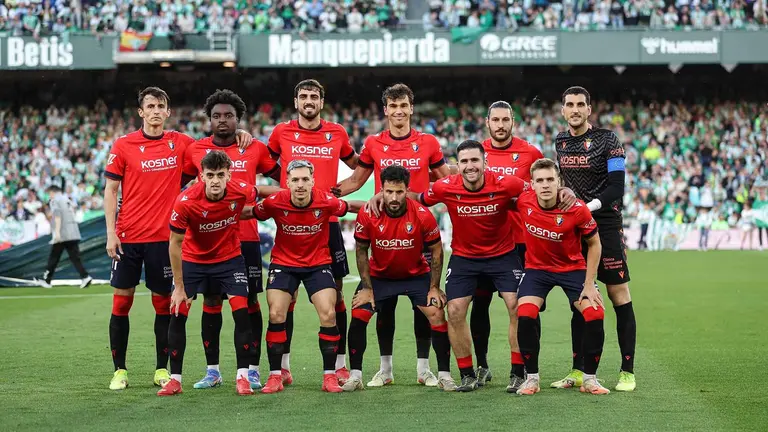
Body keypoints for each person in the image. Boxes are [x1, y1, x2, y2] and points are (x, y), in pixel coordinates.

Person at [103, 86, 252, 391]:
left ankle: (161, 368)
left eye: (161, 106)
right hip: (128, 237)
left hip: (164, 240)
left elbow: (214, 151)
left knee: (165, 306)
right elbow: (111, 190)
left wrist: (241, 133)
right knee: (121, 304)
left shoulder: (181, 143)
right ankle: (120, 370)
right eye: (151, 106)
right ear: (141, 112)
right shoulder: (123, 145)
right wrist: (111, 232)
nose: (156, 111)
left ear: (168, 112)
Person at [335, 83, 451, 388]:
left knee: (422, 307)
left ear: (411, 108)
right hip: (383, 233)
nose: (398, 111)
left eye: (404, 106)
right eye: (393, 106)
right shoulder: (374, 143)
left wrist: (423, 199)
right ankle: (385, 371)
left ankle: (423, 369)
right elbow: (356, 180)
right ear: (385, 110)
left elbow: (445, 182)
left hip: (420, 233)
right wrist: (317, 195)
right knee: (382, 307)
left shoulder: (428, 143)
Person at [182, 89, 281, 391]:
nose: (222, 120)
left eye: (228, 116)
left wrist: (262, 208)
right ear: (209, 120)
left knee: (250, 302)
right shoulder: (195, 150)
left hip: (245, 239)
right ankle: (213, 370)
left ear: (239, 119)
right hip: (208, 242)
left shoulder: (255, 149)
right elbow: (180, 187)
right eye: (216, 116)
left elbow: (283, 181)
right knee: (211, 302)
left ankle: (251, 369)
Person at [267, 79, 359, 385]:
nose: (309, 101)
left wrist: (340, 191)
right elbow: (265, 163)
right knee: (285, 299)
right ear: (296, 102)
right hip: (292, 220)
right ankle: (284, 367)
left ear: (321, 102)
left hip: (327, 223)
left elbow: (360, 165)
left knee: (336, 298)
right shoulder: (281, 131)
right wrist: (282, 189)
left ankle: (341, 364)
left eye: (314, 96)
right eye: (304, 96)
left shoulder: (337, 133)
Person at [418, 140, 529, 392]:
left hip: (503, 255)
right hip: (465, 258)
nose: (470, 166)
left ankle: (518, 372)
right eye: (464, 162)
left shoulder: (505, 182)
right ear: (457, 165)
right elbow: (419, 199)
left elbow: (535, 191)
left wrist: (563, 194)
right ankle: (467, 374)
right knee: (455, 310)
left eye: (475, 160)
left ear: (484, 162)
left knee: (516, 305)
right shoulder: (446, 186)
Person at [254, 160, 364, 394]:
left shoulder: (326, 201)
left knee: (328, 312)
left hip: (317, 264)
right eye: (295, 180)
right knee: (276, 313)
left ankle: (329, 376)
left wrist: (377, 202)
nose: (301, 184)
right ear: (287, 182)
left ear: (313, 181)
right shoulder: (274, 202)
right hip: (283, 264)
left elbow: (351, 207)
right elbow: (248, 212)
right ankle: (275, 375)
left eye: (305, 179)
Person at [552, 86, 637, 392]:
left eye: (580, 105)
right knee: (580, 299)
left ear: (589, 109)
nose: (574, 109)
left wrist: (586, 208)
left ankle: (627, 371)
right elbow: (564, 182)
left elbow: (617, 187)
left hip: (605, 224)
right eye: (569, 105)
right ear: (563, 110)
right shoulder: (560, 141)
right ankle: (578, 370)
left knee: (618, 296)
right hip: (575, 228)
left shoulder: (607, 140)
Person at [344, 165, 456, 392]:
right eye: (389, 192)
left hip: (415, 275)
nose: (394, 198)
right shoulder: (368, 212)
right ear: (381, 191)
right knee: (359, 312)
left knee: (435, 312)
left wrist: (434, 287)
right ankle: (362, 375)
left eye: (399, 192)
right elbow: (361, 250)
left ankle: (439, 374)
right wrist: (366, 287)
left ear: (407, 190)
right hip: (380, 276)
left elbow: (436, 250)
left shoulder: (422, 214)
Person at [160, 150, 260, 396]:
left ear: (229, 175)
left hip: (229, 260)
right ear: (201, 176)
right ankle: (175, 379)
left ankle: (243, 377)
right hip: (194, 261)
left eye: (220, 175)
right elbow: (174, 243)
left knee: (242, 312)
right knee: (178, 312)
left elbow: (262, 193)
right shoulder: (186, 201)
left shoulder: (241, 191)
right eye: (210, 175)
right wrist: (179, 286)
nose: (215, 180)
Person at [513, 158, 610, 395]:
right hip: (537, 270)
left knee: (595, 313)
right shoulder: (523, 201)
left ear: (559, 182)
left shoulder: (576, 208)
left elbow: (595, 244)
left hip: (572, 269)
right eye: (540, 181)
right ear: (531, 184)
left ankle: (590, 379)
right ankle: (532, 379)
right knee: (524, 313)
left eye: (550, 180)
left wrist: (589, 284)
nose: (545, 185)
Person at [471, 101, 544, 387]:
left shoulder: (531, 153)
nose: (500, 125)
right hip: (484, 243)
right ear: (487, 122)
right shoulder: (476, 153)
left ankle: (525, 367)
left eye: (505, 120)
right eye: (495, 120)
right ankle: (482, 365)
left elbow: (543, 187)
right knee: (480, 304)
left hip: (522, 243)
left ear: (513, 121)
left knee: (526, 307)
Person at [37, 185, 92, 289]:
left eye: (49, 193)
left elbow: (57, 215)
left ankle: (47, 280)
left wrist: (57, 233)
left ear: (52, 192)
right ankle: (85, 276)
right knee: (74, 257)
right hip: (73, 231)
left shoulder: (54, 200)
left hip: (63, 233)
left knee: (54, 257)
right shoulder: (67, 199)